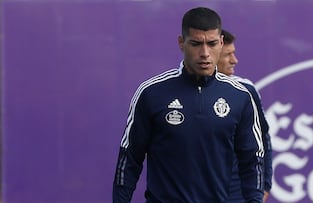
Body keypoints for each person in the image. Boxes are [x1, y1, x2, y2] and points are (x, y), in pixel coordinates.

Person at [112, 7, 264, 203]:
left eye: (212, 44)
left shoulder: (240, 96)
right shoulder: (151, 93)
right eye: (196, 44)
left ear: (221, 43)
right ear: (181, 43)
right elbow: (129, 158)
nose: (205, 53)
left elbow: (253, 161)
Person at [217, 29, 273, 203]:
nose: (234, 60)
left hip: (238, 196)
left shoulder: (245, 91)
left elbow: (263, 141)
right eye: (228, 55)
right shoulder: (180, 94)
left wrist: (264, 185)